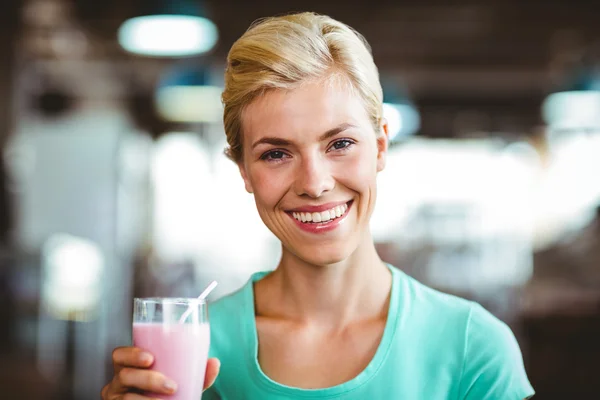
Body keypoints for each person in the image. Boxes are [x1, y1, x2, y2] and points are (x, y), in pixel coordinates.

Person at [102, 12, 535, 400]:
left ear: (381, 146)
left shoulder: (471, 348)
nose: (315, 183)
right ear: (244, 171)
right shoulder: (195, 350)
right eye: (276, 153)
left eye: (340, 144)